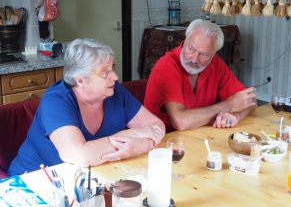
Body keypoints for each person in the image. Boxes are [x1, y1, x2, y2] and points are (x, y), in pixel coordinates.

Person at [8, 38, 165, 176]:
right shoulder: (56, 101)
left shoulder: (114, 91)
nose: (115, 77)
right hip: (34, 182)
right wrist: (133, 137)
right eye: (105, 72)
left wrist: (143, 144)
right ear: (80, 81)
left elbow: (157, 126)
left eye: (113, 68)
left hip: (89, 177)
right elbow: (80, 155)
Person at [144, 19, 256, 132]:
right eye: (191, 49)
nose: (194, 59)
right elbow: (180, 122)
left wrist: (236, 116)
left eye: (203, 54)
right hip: (163, 141)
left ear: (213, 54)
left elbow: (249, 100)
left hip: (200, 135)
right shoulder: (166, 66)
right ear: (184, 41)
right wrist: (228, 106)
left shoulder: (215, 63)